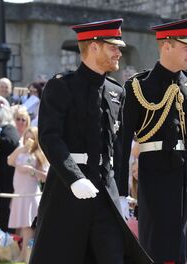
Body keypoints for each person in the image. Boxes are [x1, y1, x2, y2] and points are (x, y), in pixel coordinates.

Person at [31, 18, 150, 264]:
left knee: (112, 256)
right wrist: (74, 178)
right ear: (94, 47)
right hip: (68, 191)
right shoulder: (61, 86)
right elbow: (49, 137)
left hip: (106, 193)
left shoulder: (116, 91)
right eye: (113, 46)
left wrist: (121, 192)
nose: (119, 52)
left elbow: (118, 147)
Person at [119, 18, 187, 263]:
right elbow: (122, 141)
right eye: (186, 46)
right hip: (155, 172)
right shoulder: (139, 86)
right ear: (166, 45)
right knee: (158, 244)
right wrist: (120, 189)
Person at [7, 127, 47, 262]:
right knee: (23, 226)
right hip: (19, 193)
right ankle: (24, 254)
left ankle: (25, 256)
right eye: (26, 137)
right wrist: (20, 149)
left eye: (32, 138)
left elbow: (45, 176)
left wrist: (31, 171)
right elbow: (9, 161)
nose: (28, 140)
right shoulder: (20, 152)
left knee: (28, 227)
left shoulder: (39, 155)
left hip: (30, 195)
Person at [0, 101, 20, 232]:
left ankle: (5, 238)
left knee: (3, 208)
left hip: (5, 177)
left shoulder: (9, 129)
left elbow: (10, 143)